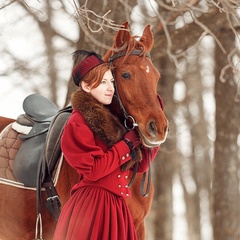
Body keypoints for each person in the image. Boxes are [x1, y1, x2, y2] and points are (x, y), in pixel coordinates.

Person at [53, 50, 159, 240]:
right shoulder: (77, 123)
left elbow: (140, 165)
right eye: (103, 82)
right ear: (86, 86)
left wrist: (152, 138)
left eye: (111, 82)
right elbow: (93, 170)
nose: (110, 88)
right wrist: (126, 144)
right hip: (91, 209)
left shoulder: (115, 123)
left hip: (117, 208)